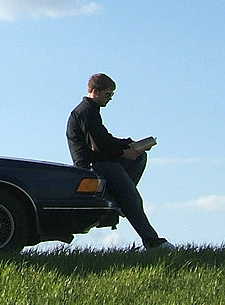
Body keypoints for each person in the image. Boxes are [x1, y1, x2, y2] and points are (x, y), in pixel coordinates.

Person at [66, 73, 174, 250]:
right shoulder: (86, 112)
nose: (110, 99)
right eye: (108, 94)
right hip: (92, 166)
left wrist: (129, 144)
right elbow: (99, 145)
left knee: (140, 158)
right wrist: (124, 153)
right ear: (95, 91)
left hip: (102, 162)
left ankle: (120, 199)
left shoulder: (91, 111)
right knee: (132, 199)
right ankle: (152, 241)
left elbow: (105, 139)